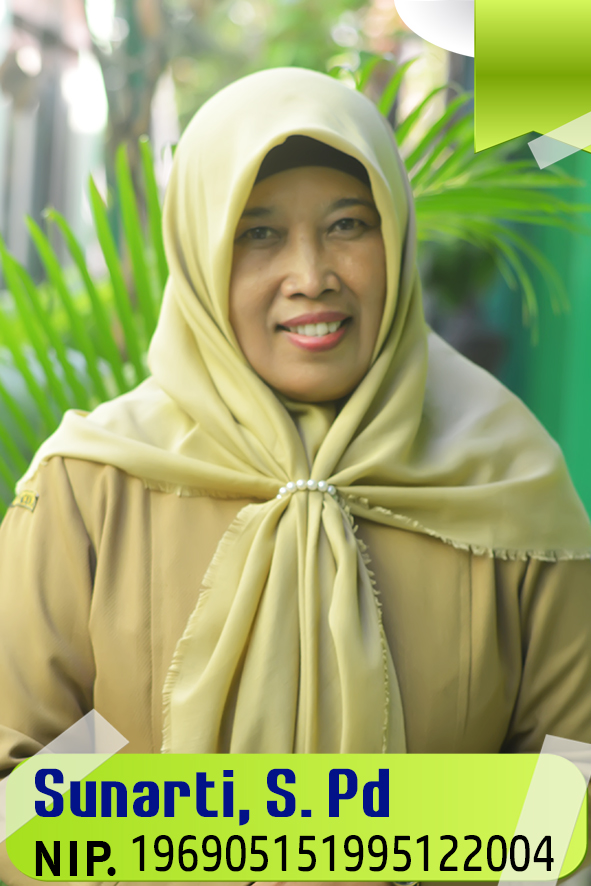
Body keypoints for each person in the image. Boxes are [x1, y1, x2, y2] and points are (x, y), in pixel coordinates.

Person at [1, 66, 591, 886]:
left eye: (347, 224)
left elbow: (569, 774)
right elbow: (21, 784)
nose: (311, 275)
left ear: (395, 237)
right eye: (259, 233)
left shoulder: (505, 479)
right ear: (201, 252)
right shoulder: (92, 487)